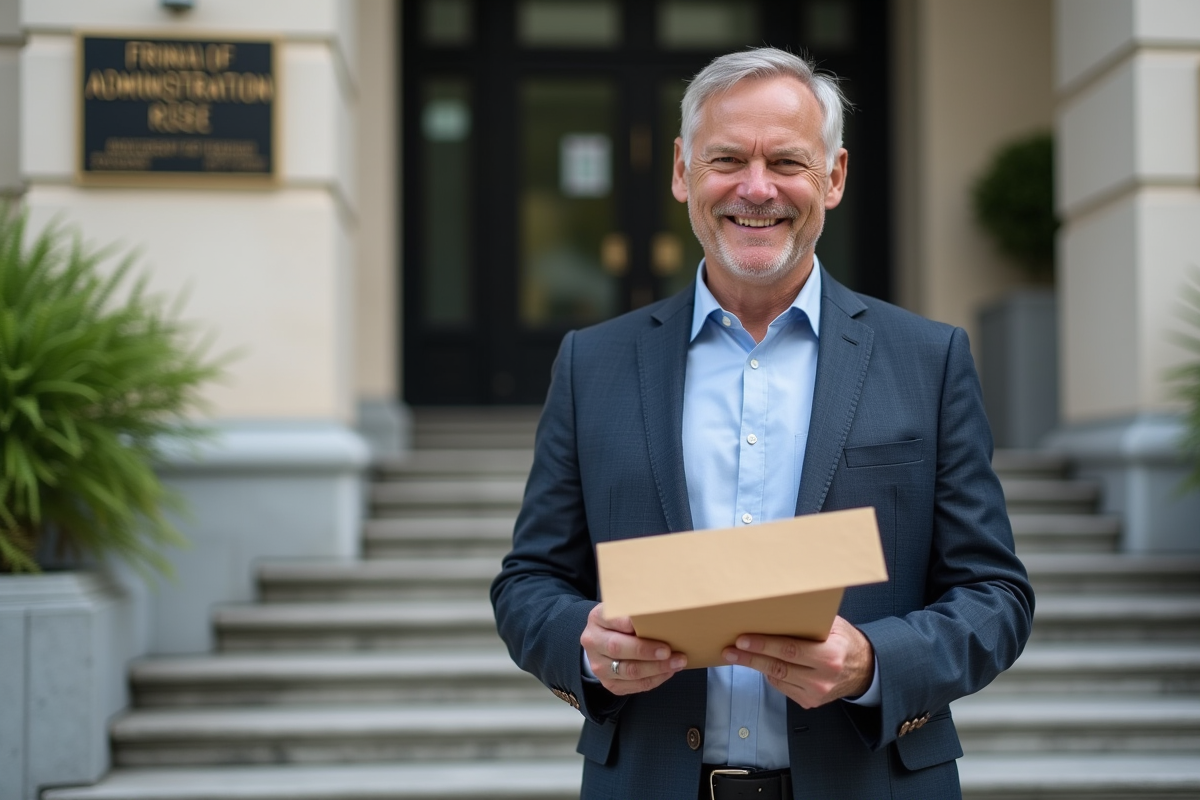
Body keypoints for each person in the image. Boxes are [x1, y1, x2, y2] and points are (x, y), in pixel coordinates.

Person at [491, 47, 1033, 800]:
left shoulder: (929, 360)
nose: (755, 189)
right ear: (682, 171)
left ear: (834, 178)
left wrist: (876, 662)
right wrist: (586, 647)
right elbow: (529, 584)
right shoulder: (593, 364)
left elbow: (996, 596)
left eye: (786, 161)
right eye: (726, 159)